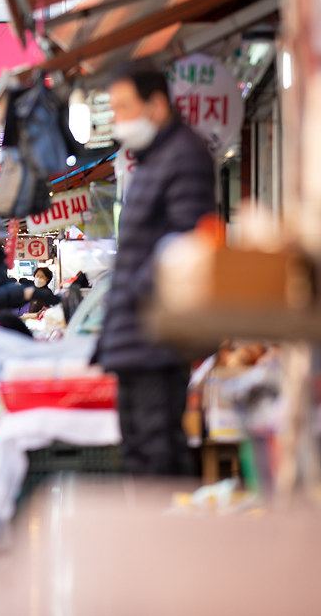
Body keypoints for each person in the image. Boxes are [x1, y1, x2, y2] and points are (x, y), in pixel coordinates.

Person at [95, 60, 216, 478]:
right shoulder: (152, 160)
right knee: (138, 451)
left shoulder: (183, 154)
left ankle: (171, 540)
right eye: (114, 109)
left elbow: (186, 242)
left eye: (125, 106)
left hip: (157, 333)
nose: (119, 119)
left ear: (157, 104)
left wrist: (131, 292)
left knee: (157, 452)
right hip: (135, 333)